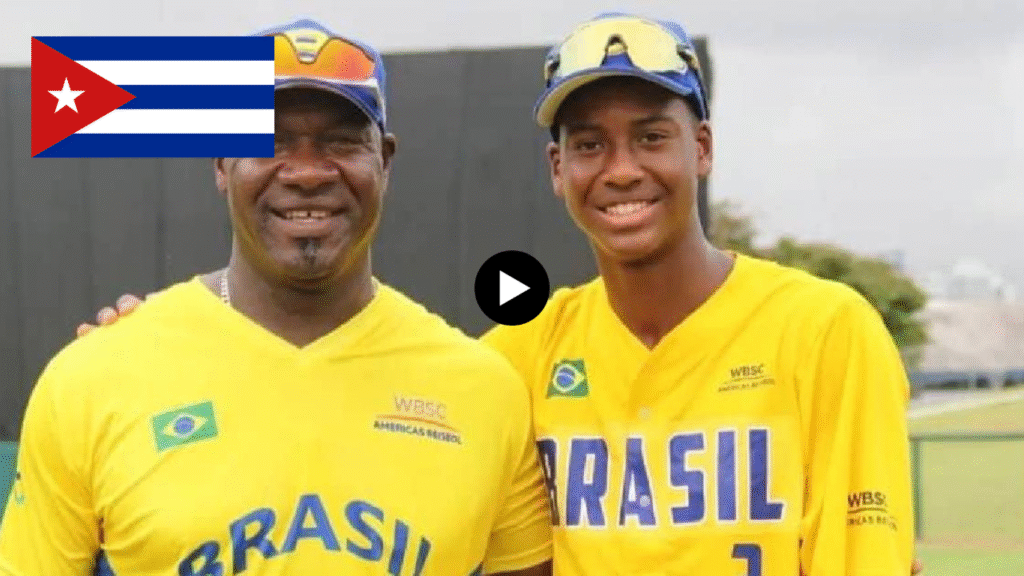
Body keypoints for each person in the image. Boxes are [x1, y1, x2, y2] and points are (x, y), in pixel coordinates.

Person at [70, 12, 924, 576]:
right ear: (557, 169)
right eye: (588, 144)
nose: (621, 169)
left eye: (651, 136)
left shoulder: (824, 328)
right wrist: (150, 349)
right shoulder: (515, 357)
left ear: (700, 148)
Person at [0, 19, 552, 576]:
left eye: (341, 141)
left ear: (384, 161)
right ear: (222, 163)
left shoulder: (485, 390)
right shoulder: (93, 379)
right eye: (269, 140)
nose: (307, 172)